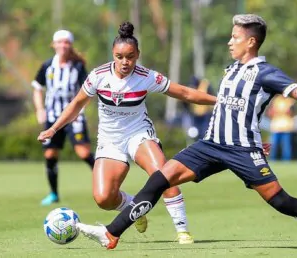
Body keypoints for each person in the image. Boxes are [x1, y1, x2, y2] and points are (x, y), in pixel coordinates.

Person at [72, 14, 297, 250]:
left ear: (251, 42)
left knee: (281, 202)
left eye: (235, 37)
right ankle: (110, 234)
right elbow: (231, 108)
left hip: (242, 151)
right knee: (159, 180)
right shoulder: (231, 69)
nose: (230, 41)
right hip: (210, 145)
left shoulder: (265, 72)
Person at [37, 22, 220, 244]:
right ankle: (134, 209)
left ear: (137, 55)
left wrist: (219, 101)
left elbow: (184, 93)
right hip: (109, 140)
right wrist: (53, 128)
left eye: (130, 57)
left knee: (164, 174)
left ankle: (183, 231)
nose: (125, 62)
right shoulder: (98, 76)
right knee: (104, 198)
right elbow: (76, 104)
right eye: (120, 56)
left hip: (139, 134)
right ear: (113, 55)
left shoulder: (146, 76)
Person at [32, 30, 95, 206]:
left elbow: (88, 91)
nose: (63, 45)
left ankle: (104, 184)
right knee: (50, 154)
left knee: (83, 153)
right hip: (52, 118)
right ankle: (53, 194)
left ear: (70, 45)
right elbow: (37, 87)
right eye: (60, 42)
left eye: (66, 42)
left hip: (75, 118)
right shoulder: (47, 66)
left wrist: (79, 111)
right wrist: (39, 109)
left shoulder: (78, 67)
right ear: (54, 45)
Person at [267, 95, 296, 161]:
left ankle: (286, 162)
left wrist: (284, 111)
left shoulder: (290, 100)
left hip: (287, 127)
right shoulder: (276, 100)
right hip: (276, 127)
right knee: (273, 147)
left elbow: (292, 112)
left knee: (286, 147)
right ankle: (272, 161)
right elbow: (270, 112)